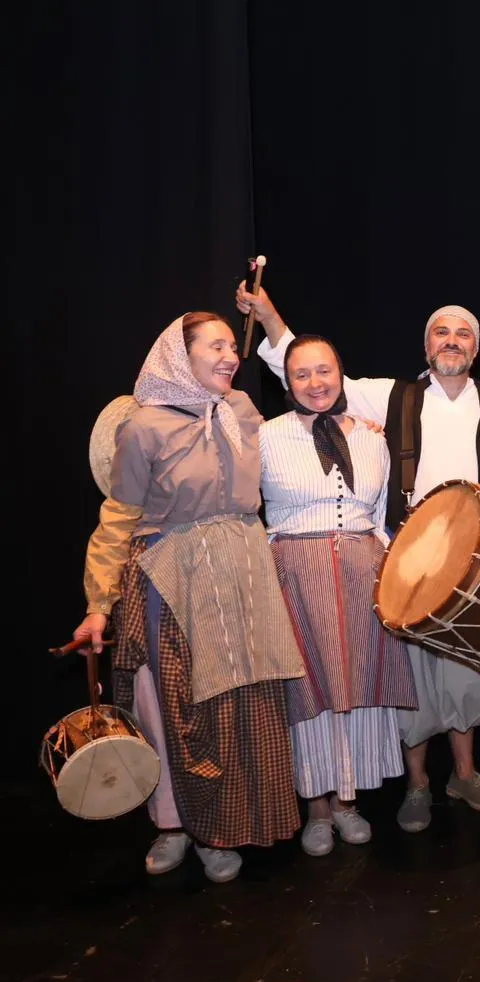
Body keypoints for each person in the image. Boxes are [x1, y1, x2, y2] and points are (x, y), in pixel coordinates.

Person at [244, 287, 480, 832]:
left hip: (474, 559)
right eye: (441, 331)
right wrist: (272, 317)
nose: (451, 341)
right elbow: (308, 372)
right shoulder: (387, 395)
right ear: (425, 346)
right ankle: (417, 784)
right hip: (406, 555)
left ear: (476, 348)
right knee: (412, 676)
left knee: (468, 674)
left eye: (462, 333)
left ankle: (464, 773)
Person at [76, 313, 303, 883]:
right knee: (174, 710)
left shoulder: (242, 410)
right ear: (180, 356)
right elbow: (117, 518)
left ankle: (229, 823)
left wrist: (364, 425)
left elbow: (302, 425)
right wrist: (97, 603)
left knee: (240, 710)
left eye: (233, 345)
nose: (230, 355)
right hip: (174, 577)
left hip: (242, 572)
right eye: (216, 346)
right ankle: (176, 825)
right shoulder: (144, 426)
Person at [259, 334, 417, 856]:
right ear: (287, 381)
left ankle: (348, 802)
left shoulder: (372, 438)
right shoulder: (265, 437)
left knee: (355, 689)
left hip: (361, 573)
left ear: (340, 373)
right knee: (311, 693)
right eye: (302, 374)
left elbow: (378, 513)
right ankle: (317, 808)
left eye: (324, 371)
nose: (315, 383)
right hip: (297, 578)